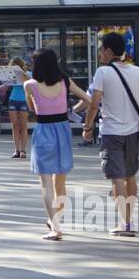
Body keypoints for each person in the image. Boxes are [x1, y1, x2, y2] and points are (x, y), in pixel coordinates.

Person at [83, 33, 139, 234]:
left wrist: (87, 126)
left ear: (109, 51)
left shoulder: (102, 72)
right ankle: (129, 219)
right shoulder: (137, 71)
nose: (100, 53)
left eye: (101, 49)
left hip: (111, 132)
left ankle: (125, 223)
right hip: (134, 131)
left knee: (116, 176)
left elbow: (94, 103)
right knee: (130, 175)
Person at [26, 48, 90, 240]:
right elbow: (87, 99)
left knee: (45, 183)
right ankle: (56, 219)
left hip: (43, 129)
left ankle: (55, 226)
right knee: (60, 182)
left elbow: (32, 108)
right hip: (62, 129)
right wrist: (71, 110)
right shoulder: (65, 81)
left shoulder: (30, 85)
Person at [4, 57, 30, 160]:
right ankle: (16, 150)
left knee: (23, 125)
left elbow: (32, 82)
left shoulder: (28, 73)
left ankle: (23, 150)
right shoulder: (11, 74)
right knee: (15, 125)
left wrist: (23, 75)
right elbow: (5, 86)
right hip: (13, 99)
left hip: (24, 100)